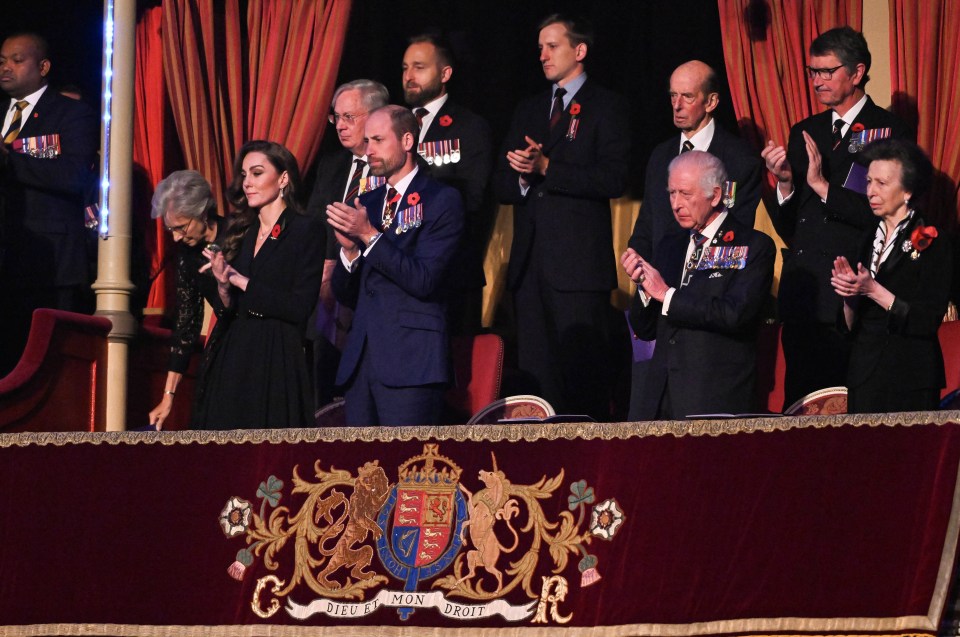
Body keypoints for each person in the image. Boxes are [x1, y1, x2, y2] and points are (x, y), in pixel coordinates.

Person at [760, 26, 910, 407]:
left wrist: (824, 187)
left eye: (827, 72)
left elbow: (886, 214)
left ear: (857, 73)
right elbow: (791, 226)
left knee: (849, 412)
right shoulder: (805, 131)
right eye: (812, 72)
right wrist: (785, 185)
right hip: (803, 292)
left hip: (852, 290)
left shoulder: (887, 130)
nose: (817, 81)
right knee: (802, 410)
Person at [493, 14, 630, 420]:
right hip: (530, 269)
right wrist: (521, 176)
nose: (543, 55)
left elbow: (613, 178)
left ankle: (587, 472)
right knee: (538, 385)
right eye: (539, 48)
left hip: (578, 271)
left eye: (552, 46)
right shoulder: (530, 109)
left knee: (582, 380)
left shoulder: (607, 106)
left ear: (580, 51)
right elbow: (500, 184)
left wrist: (548, 168)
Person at [626, 59, 762, 419]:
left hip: (707, 320)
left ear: (711, 101)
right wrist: (639, 264)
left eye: (687, 96)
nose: (677, 104)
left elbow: (732, 236)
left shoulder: (738, 158)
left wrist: (671, 292)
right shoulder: (660, 156)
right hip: (661, 308)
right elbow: (648, 223)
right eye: (673, 95)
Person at [327, 105, 464, 426]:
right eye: (366, 141)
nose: (369, 150)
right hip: (362, 360)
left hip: (411, 360)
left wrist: (368, 236)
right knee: (361, 471)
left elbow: (425, 279)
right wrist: (349, 253)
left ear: (406, 141)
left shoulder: (441, 199)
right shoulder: (367, 203)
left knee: (408, 469)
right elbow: (346, 294)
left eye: (377, 140)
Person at [622, 151, 775, 420]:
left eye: (685, 194)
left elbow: (734, 314)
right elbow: (645, 329)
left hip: (713, 396)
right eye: (671, 193)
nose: (676, 204)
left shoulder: (753, 245)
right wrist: (645, 290)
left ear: (715, 196)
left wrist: (666, 294)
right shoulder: (670, 245)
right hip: (661, 397)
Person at [195, 140, 325, 429]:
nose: (247, 183)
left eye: (256, 173)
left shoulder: (306, 229)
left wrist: (240, 280)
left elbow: (299, 307)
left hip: (277, 353)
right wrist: (223, 285)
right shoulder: (240, 232)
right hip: (237, 350)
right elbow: (226, 310)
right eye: (244, 175)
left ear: (283, 179)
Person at [0, 32, 99, 376]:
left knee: (41, 367)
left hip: (48, 265)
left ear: (43, 66)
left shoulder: (71, 114)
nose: (6, 67)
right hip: (5, 259)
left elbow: (75, 176)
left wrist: (10, 162)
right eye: (2, 60)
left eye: (16, 60)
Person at [830, 139, 950, 413]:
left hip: (910, 376)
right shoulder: (865, 238)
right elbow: (848, 327)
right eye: (869, 181)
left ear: (907, 190)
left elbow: (926, 320)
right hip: (864, 374)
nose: (871, 191)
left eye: (881, 183)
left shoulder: (934, 240)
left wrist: (874, 290)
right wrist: (849, 296)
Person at [304, 79, 389, 410]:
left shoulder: (392, 167)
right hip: (327, 293)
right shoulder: (332, 164)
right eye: (335, 117)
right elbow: (313, 223)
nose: (339, 125)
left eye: (348, 117)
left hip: (372, 291)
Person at [402, 33, 494, 335]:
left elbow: (473, 197)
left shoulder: (469, 126)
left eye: (419, 67)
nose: (409, 76)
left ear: (445, 73)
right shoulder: (393, 124)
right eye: (405, 68)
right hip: (397, 268)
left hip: (447, 270)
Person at [146, 171, 226, 430]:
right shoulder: (187, 253)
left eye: (181, 227)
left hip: (256, 342)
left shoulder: (239, 235)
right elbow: (186, 325)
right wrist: (168, 397)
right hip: (222, 343)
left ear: (203, 213)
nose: (176, 237)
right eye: (171, 229)